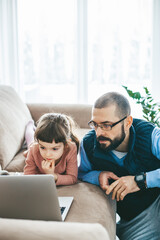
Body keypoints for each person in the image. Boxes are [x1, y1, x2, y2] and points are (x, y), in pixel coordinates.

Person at [78, 92, 160, 240]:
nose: (99, 132)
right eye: (95, 124)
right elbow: (81, 173)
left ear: (128, 122)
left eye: (107, 125)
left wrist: (140, 181)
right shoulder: (88, 144)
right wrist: (98, 176)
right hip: (133, 221)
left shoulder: (151, 136)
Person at [24, 113, 79, 186]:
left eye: (54, 149)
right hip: (33, 147)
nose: (47, 154)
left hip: (36, 147)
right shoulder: (34, 149)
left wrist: (52, 175)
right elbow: (28, 177)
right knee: (30, 143)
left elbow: (72, 178)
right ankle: (30, 126)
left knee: (30, 149)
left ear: (66, 145)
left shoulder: (71, 148)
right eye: (43, 147)